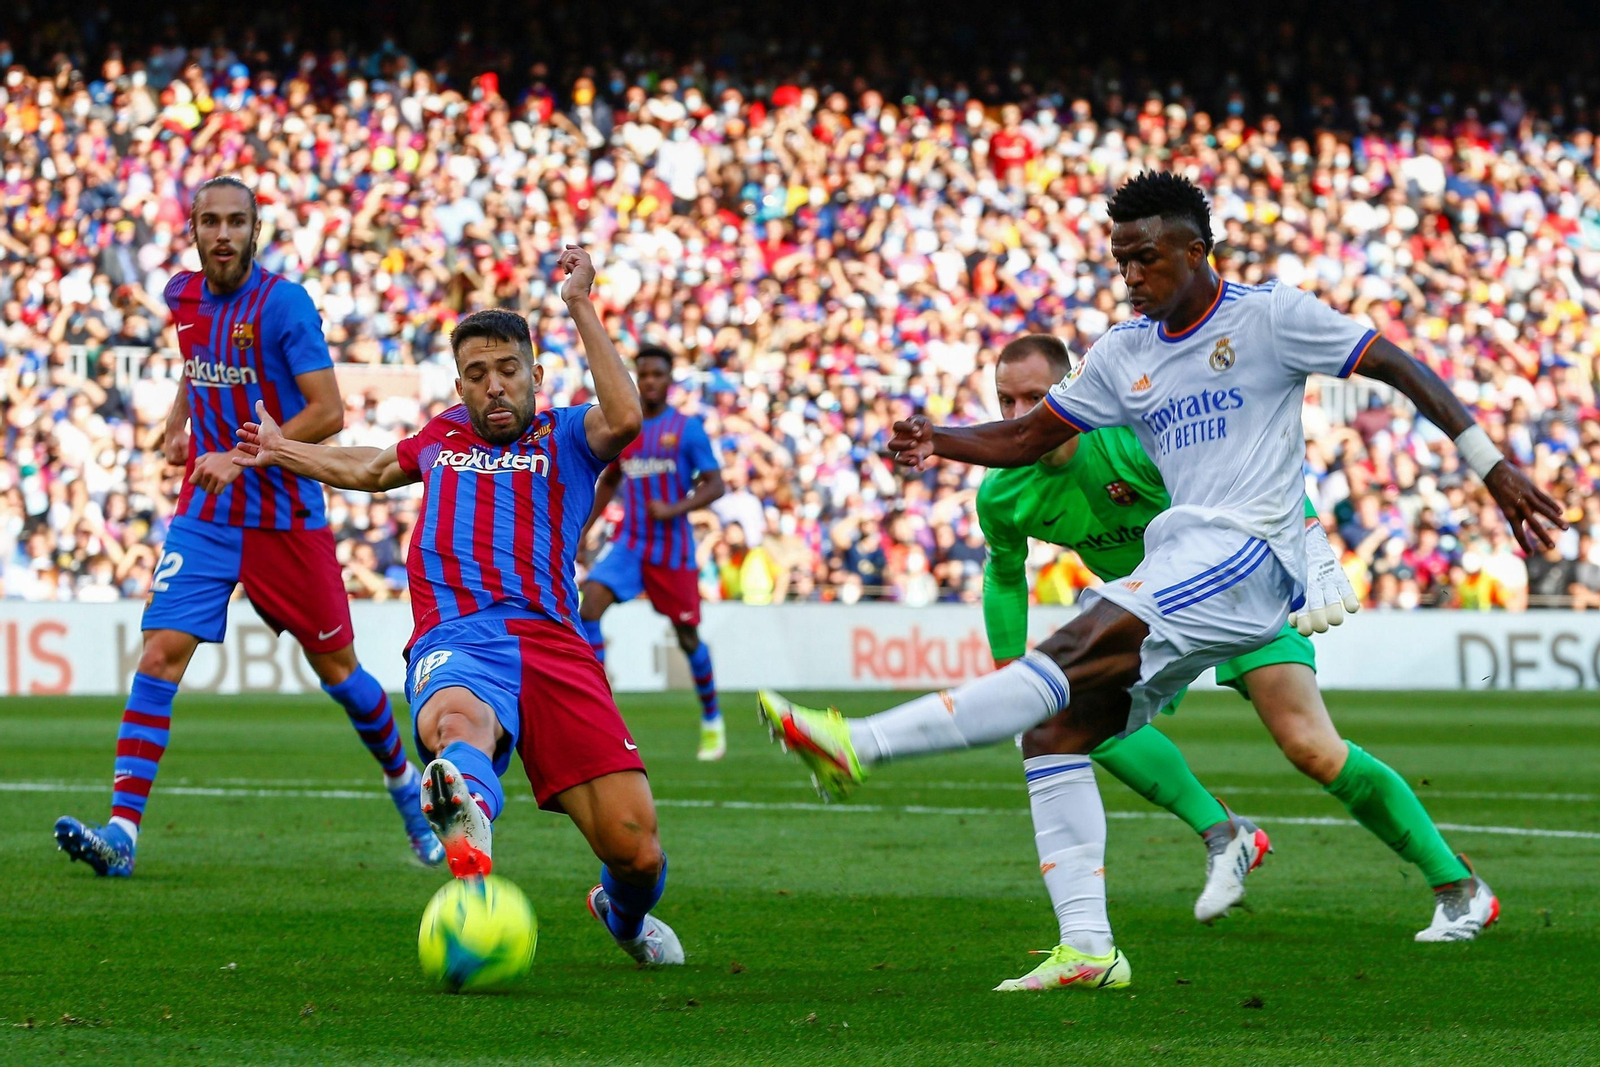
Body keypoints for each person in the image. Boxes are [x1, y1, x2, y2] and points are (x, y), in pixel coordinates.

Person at [761, 173, 1562, 980]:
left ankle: (858, 743)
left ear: (1195, 250)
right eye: (1120, 263)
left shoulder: (1270, 316)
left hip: (1245, 559)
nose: (1131, 276)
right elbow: (1025, 437)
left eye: (1145, 258)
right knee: (1060, 728)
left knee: (1085, 663)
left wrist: (1487, 467)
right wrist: (940, 438)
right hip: (1177, 575)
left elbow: (1394, 364)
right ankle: (1088, 947)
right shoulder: (1123, 353)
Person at [973, 333, 1488, 991]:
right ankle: (1225, 830)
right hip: (1150, 613)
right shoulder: (1003, 490)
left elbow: (1248, 465)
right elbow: (1005, 572)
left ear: (1071, 391)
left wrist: (1308, 534)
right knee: (1068, 717)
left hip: (1240, 585)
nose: (1019, 415)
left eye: (1035, 398)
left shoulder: (1130, 437)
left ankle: (1458, 884)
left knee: (1311, 748)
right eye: (1005, 400)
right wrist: (1010, 671)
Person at [235, 249, 684, 967]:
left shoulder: (569, 433)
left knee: (637, 849)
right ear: (460, 386)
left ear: (537, 375)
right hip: (459, 633)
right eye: (477, 375)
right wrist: (285, 450)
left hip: (555, 644)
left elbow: (627, 416)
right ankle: (466, 810)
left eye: (508, 369)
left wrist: (579, 304)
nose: (494, 387)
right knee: (456, 720)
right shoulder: (442, 436)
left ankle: (622, 916)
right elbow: (376, 466)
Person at [53, 176, 442, 877]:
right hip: (206, 511)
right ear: (194, 229)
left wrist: (240, 454)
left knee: (341, 674)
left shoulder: (284, 304)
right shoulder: (182, 296)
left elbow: (328, 411)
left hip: (284, 517)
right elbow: (196, 363)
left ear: (255, 230)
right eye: (210, 221)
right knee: (159, 655)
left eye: (236, 221)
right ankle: (122, 834)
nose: (223, 233)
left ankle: (404, 786)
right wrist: (180, 416)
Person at [578, 346, 727, 760]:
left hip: (672, 549)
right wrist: (583, 529)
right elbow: (609, 481)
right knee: (589, 607)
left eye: (656, 374)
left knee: (687, 636)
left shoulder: (687, 429)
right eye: (642, 374)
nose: (648, 382)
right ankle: (604, 711)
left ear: (669, 379)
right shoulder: (626, 425)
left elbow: (716, 484)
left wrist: (677, 508)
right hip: (630, 543)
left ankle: (712, 718)